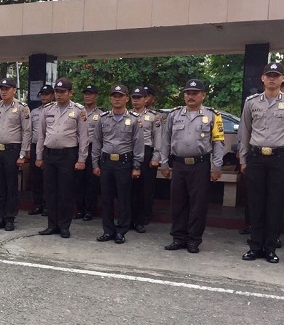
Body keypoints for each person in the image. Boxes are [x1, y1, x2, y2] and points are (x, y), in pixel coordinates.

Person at [239, 62, 284, 263]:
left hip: (280, 158)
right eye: (269, 75)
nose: (272, 79)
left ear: (282, 79)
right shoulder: (251, 102)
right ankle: (255, 246)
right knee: (255, 203)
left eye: (276, 75)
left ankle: (270, 248)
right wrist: (243, 158)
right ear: (262, 78)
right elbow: (244, 131)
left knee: (275, 204)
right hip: (256, 158)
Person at [159, 79, 225, 253]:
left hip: (200, 165)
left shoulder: (212, 115)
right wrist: (164, 162)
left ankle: (194, 240)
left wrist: (216, 166)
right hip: (179, 165)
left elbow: (218, 142)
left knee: (198, 204)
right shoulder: (174, 115)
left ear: (203, 95)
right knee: (178, 203)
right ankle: (178, 238)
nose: (191, 96)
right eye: (188, 93)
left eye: (195, 93)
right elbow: (165, 140)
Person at [35, 78, 88, 238]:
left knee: (65, 192)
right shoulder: (48, 109)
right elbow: (41, 135)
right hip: (50, 154)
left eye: (62, 92)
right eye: (57, 92)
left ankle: (64, 226)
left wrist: (81, 159)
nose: (59, 95)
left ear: (70, 93)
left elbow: (83, 137)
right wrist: (39, 156)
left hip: (67, 155)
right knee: (50, 192)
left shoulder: (79, 110)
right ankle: (52, 225)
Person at [92, 84, 144, 244]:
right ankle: (108, 231)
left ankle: (121, 231)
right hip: (106, 162)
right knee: (106, 198)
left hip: (124, 163)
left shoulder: (134, 120)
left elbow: (138, 144)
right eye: (114, 96)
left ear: (126, 99)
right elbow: (97, 141)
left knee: (123, 198)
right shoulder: (103, 118)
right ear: (110, 98)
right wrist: (95, 163)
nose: (117, 99)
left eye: (120, 96)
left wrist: (136, 165)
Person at [0, 78, 32, 231]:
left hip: (13, 150)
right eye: (1, 88)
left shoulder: (22, 108)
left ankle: (10, 218)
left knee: (11, 186)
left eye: (7, 88)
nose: (3, 91)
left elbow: (27, 132)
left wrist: (22, 155)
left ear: (14, 90)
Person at [130, 86, 161, 232]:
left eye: (139, 98)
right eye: (134, 98)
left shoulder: (153, 116)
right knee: (129, 188)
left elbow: (158, 138)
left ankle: (141, 219)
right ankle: (128, 218)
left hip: (147, 153)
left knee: (145, 188)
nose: (136, 101)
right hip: (129, 153)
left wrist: (156, 157)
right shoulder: (127, 115)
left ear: (145, 99)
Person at [75, 84, 102, 221]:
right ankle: (79, 209)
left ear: (96, 96)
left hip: (93, 148)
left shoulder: (101, 114)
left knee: (91, 181)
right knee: (78, 181)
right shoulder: (78, 111)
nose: (87, 96)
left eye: (90, 93)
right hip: (78, 148)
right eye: (85, 93)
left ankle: (89, 210)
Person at [29, 84, 54, 216]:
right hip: (34, 146)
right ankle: (37, 204)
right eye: (42, 94)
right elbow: (29, 131)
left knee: (48, 179)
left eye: (47, 94)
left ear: (52, 95)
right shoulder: (34, 112)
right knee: (35, 178)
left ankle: (47, 206)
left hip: (48, 147)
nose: (44, 96)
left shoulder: (54, 110)